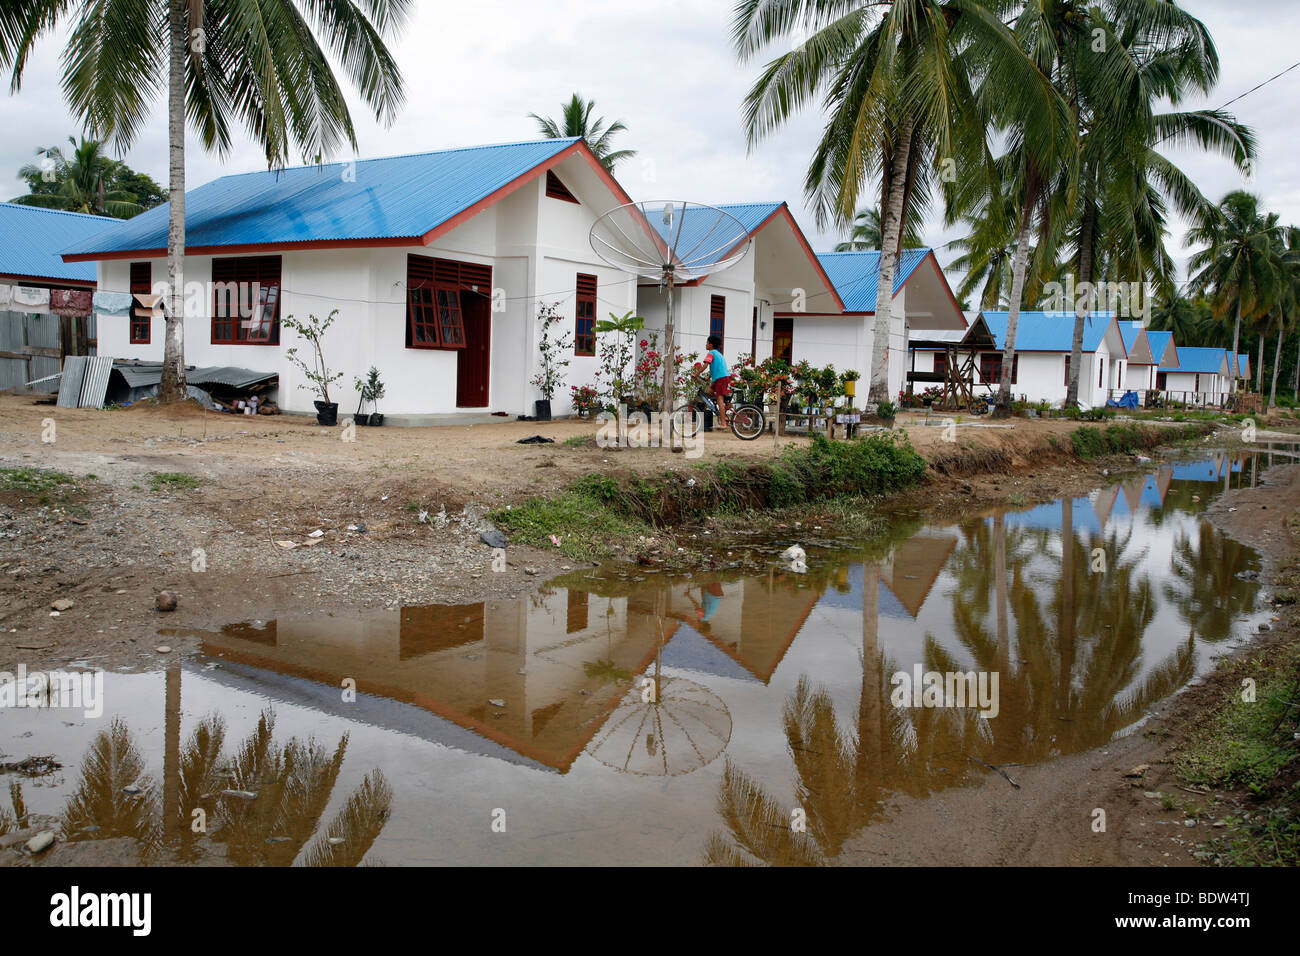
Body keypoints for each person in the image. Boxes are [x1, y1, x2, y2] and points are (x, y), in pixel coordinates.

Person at [704, 335, 731, 426]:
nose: (706, 344)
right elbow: (716, 368)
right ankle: (726, 402)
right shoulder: (718, 354)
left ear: (711, 344)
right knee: (709, 392)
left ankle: (723, 423)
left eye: (707, 342)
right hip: (720, 378)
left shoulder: (711, 353)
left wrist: (696, 374)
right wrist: (708, 377)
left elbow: (705, 365)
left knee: (719, 399)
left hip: (721, 379)